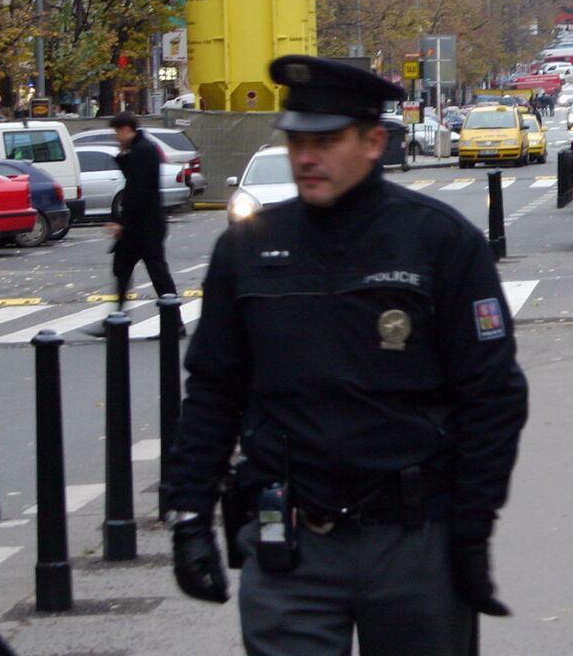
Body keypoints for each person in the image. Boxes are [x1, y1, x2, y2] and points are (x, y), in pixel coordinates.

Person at [161, 55, 529, 656]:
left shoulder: (439, 241)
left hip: (412, 541)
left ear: (373, 142)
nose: (306, 157)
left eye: (326, 141)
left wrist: (471, 527)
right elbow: (212, 393)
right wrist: (189, 515)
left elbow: (492, 396)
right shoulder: (249, 248)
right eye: (297, 140)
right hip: (292, 546)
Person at [109, 113, 176, 316]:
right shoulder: (141, 148)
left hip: (144, 225)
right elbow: (134, 180)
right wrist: (122, 156)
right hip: (144, 224)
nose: (116, 137)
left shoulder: (142, 151)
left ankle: (172, 320)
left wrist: (121, 222)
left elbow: (136, 189)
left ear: (126, 129)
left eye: (117, 132)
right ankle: (118, 316)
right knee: (127, 268)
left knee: (155, 272)